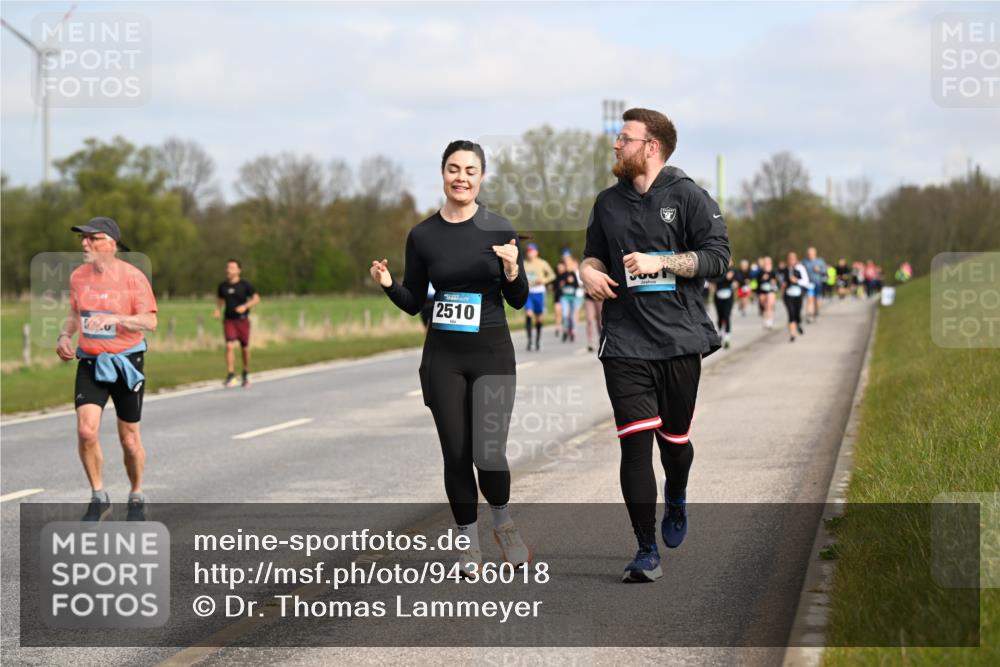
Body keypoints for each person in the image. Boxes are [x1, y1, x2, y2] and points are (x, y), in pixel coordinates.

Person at [580, 108, 730, 582]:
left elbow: (718, 258)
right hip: (624, 340)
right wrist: (587, 272)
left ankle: (678, 494)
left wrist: (661, 261)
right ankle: (645, 549)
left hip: (679, 339)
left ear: (651, 146)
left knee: (675, 443)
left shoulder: (687, 195)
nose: (615, 146)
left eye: (624, 139)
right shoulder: (607, 203)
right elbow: (592, 255)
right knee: (634, 445)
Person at [370, 140, 531, 575]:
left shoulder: (499, 228)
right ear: (442, 173)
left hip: (493, 353)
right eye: (454, 169)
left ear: (481, 178)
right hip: (444, 356)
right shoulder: (423, 235)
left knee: (489, 454)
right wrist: (388, 283)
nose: (461, 177)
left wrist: (514, 269)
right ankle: (467, 542)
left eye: (471, 170)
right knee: (456, 453)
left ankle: (504, 524)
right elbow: (411, 301)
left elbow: (518, 300)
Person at [55, 217, 157, 522]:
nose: (85, 244)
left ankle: (136, 493)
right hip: (90, 360)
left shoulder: (133, 277)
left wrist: (117, 319)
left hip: (126, 361)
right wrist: (64, 335)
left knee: (129, 440)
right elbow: (76, 313)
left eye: (93, 238)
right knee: (86, 431)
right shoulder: (78, 277)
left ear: (111, 244)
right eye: (83, 239)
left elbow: (150, 321)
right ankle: (99, 496)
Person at [214, 259, 260, 387]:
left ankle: (246, 371)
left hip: (243, 320)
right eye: (228, 267)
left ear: (239, 270)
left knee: (244, 348)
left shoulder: (245, 285)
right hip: (229, 320)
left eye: (232, 267)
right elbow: (220, 300)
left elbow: (256, 299)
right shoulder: (222, 286)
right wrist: (217, 310)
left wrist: (245, 306)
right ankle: (231, 374)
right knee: (229, 345)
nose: (229, 270)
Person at [522, 243, 555, 351]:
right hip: (528, 293)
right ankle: (529, 341)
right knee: (528, 314)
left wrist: (543, 280)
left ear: (536, 252)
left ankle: (538, 339)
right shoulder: (524, 263)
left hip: (539, 292)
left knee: (539, 318)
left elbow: (552, 275)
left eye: (532, 251)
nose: (530, 253)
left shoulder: (542, 263)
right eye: (528, 251)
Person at [781, 251, 810, 342]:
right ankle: (792, 335)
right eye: (790, 258)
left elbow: (805, 282)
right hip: (788, 295)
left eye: (793, 258)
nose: (791, 260)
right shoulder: (785, 271)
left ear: (796, 259)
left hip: (798, 294)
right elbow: (780, 282)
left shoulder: (800, 269)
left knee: (797, 313)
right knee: (791, 314)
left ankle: (798, 324)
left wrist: (796, 281)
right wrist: (783, 284)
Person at [556, 251, 581, 343]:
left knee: (572, 316)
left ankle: (572, 331)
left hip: (573, 297)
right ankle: (565, 330)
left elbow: (576, 285)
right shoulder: (562, 274)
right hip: (564, 297)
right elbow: (558, 285)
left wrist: (571, 282)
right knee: (565, 314)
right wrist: (563, 283)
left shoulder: (573, 274)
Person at [713, 263, 737, 349]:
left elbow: (737, 280)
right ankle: (720, 333)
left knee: (726, 316)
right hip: (718, 296)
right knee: (720, 316)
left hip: (728, 296)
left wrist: (729, 280)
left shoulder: (733, 270)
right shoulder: (717, 268)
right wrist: (725, 278)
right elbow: (714, 280)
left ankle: (727, 338)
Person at [802, 246, 827, 323]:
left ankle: (816, 312)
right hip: (809, 284)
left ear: (815, 253)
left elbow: (825, 271)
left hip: (818, 283)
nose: (810, 255)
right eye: (809, 253)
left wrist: (819, 270)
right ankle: (809, 315)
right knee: (810, 299)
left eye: (811, 253)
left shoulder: (820, 261)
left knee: (817, 300)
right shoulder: (804, 261)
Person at [756, 256, 778, 329]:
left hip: (771, 290)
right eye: (765, 262)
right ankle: (765, 320)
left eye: (768, 262)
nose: (766, 263)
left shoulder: (773, 271)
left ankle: (769, 321)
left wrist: (773, 281)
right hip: (762, 291)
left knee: (769, 305)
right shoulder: (760, 271)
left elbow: (776, 281)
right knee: (764, 306)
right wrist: (762, 278)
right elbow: (756, 281)